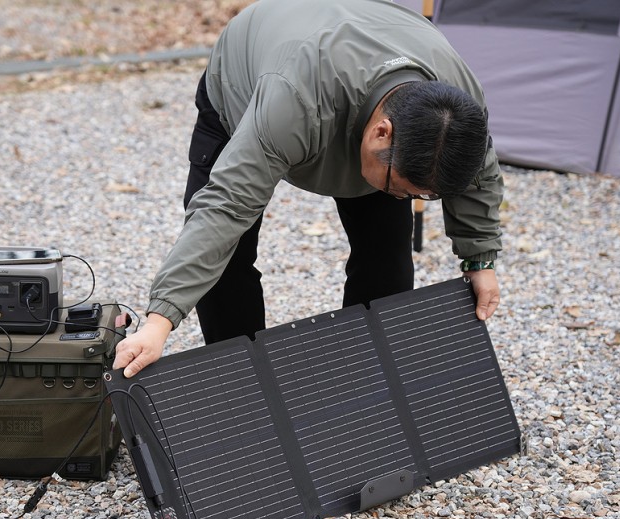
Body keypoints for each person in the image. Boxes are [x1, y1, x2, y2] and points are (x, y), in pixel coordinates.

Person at [114, 0, 503, 378]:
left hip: (362, 41)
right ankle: (240, 376)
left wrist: (479, 260)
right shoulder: (294, 102)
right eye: (402, 187)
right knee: (230, 258)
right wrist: (159, 321)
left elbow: (479, 178)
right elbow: (225, 209)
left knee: (386, 248)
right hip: (252, 73)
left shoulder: (456, 106)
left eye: (420, 195)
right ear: (382, 132)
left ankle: (369, 372)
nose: (405, 198)